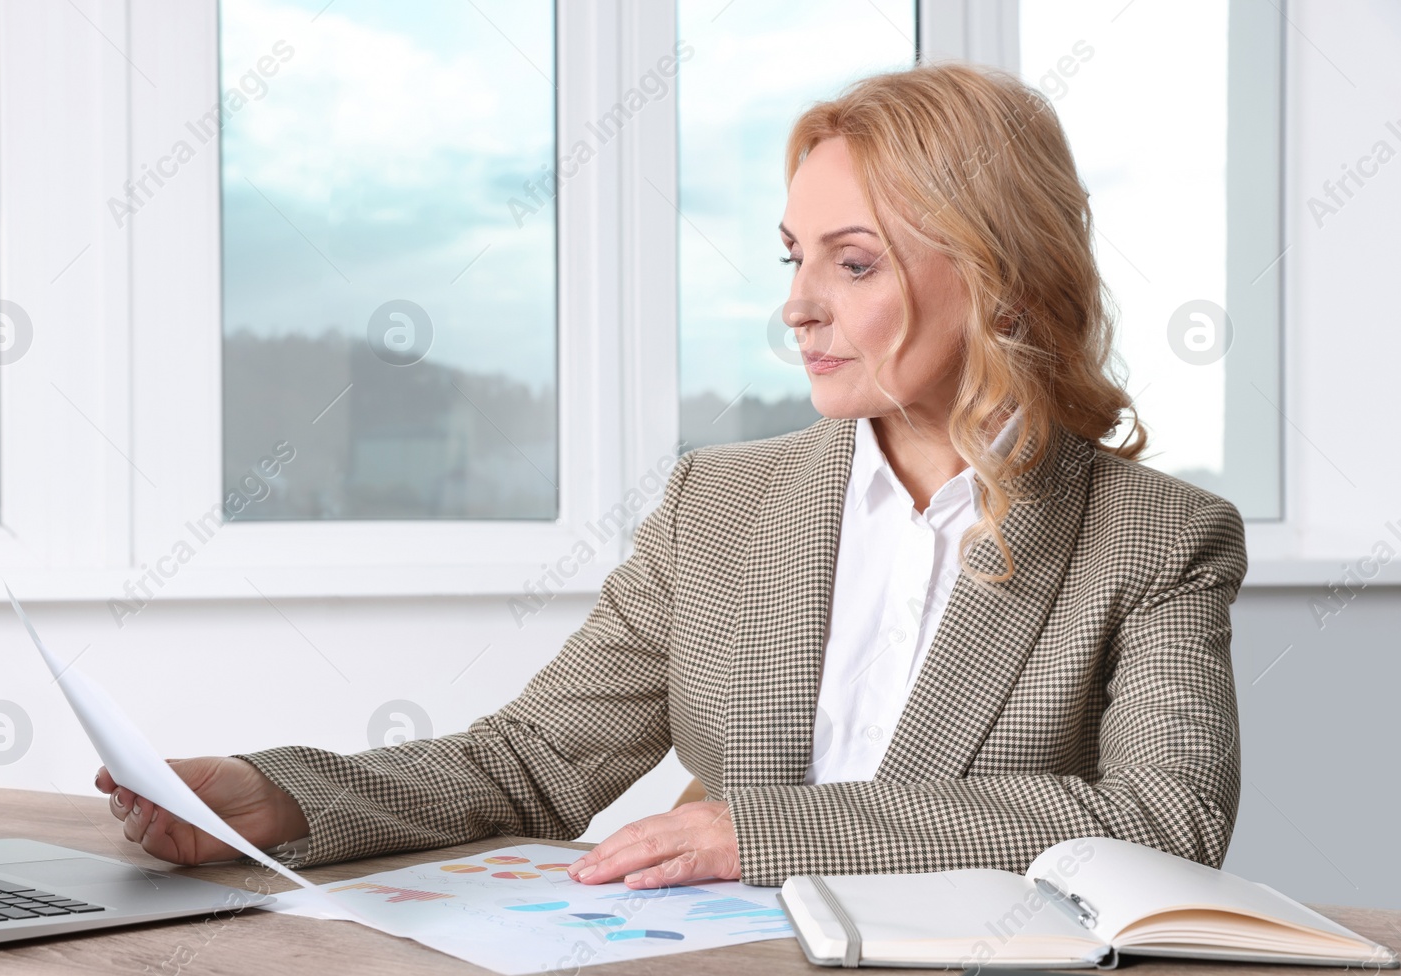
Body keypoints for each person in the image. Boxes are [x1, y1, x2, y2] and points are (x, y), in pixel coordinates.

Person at [97, 63, 1246, 890]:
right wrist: (274, 795)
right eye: (793, 259)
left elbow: (1161, 817)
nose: (797, 304)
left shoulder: (1154, 537)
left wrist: (770, 834)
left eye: (853, 263)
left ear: (998, 274)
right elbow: (536, 760)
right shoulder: (723, 503)